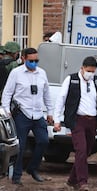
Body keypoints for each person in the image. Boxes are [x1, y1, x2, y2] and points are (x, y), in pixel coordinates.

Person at [1, 47, 53, 185]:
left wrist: (50, 112)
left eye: (36, 60)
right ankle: (16, 176)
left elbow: (46, 94)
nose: (34, 63)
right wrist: (6, 110)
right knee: (21, 146)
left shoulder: (42, 73)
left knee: (43, 141)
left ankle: (33, 168)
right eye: (31, 60)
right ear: (23, 59)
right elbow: (7, 92)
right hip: (22, 113)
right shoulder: (16, 73)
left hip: (37, 113)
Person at [53, 56, 97, 191]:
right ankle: (83, 182)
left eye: (93, 71)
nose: (90, 74)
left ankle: (72, 180)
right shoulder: (71, 79)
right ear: (82, 68)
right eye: (88, 71)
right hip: (77, 120)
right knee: (80, 149)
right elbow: (61, 99)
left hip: (92, 121)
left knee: (86, 151)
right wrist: (57, 120)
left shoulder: (96, 82)